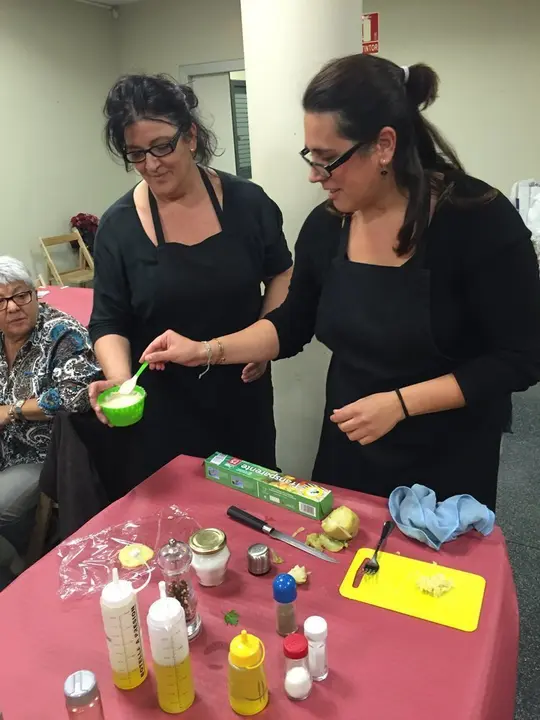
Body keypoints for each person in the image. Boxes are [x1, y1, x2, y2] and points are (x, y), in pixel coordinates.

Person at [139, 55, 540, 510]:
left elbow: (520, 358)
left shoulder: (477, 220)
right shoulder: (328, 226)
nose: (315, 174)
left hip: (446, 458)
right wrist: (206, 349)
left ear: (384, 145)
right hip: (351, 447)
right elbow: (292, 322)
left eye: (329, 160)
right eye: (311, 156)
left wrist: (401, 404)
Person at [88, 74, 292, 481]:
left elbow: (282, 271)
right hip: (164, 409)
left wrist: (264, 338)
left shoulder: (249, 203)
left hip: (240, 394)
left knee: (250, 510)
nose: (151, 164)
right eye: (136, 154)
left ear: (192, 136)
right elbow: (109, 320)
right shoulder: (118, 226)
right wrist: (118, 380)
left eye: (162, 146)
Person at [0, 256, 99, 557]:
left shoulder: (62, 333)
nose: (13, 307)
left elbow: (76, 395)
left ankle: (25, 555)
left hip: (44, 455)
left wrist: (13, 410)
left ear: (34, 294)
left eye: (20, 294)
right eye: (1, 301)